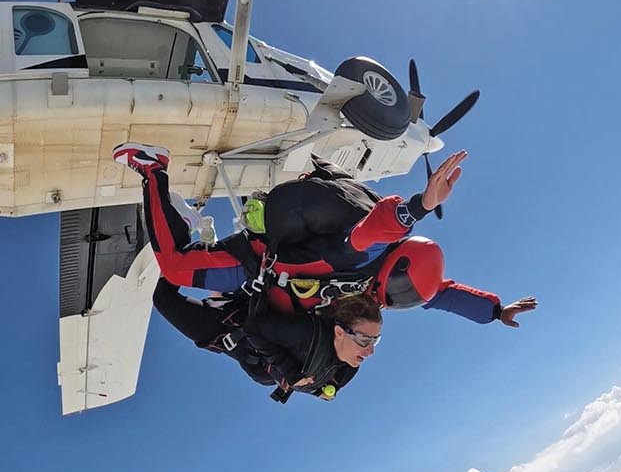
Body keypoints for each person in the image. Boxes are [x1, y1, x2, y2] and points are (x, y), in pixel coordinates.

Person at [113, 142, 537, 327]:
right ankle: (154, 169)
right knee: (176, 267)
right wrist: (420, 206)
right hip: (259, 260)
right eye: (397, 294)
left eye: (401, 300)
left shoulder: (394, 284)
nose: (388, 302)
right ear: (396, 266)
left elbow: (441, 295)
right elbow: (376, 227)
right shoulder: (364, 255)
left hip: (275, 275)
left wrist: (494, 311)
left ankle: (177, 214)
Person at [152, 279, 382, 402]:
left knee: (219, 291)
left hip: (239, 348)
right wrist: (289, 371)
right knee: (163, 298)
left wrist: (317, 392)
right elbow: (253, 329)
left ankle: (210, 256)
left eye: (375, 341)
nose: (370, 351)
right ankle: (184, 232)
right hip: (226, 326)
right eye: (365, 340)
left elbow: (327, 392)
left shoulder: (349, 366)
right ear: (340, 332)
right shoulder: (306, 334)